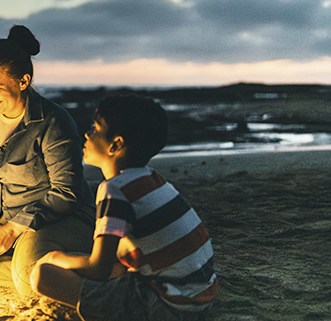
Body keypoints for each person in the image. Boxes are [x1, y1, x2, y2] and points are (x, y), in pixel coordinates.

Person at [0, 25, 96, 297]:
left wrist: (14, 228)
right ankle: (35, 274)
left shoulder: (52, 122)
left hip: (57, 221)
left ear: (23, 81)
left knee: (26, 267)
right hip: (2, 223)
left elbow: (67, 193)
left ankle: (36, 270)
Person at [30, 95, 218, 320]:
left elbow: (98, 269)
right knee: (107, 265)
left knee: (43, 274)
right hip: (199, 297)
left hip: (169, 307)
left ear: (116, 144)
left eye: (96, 128)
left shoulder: (114, 189)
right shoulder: (151, 178)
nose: (88, 134)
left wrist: (55, 257)